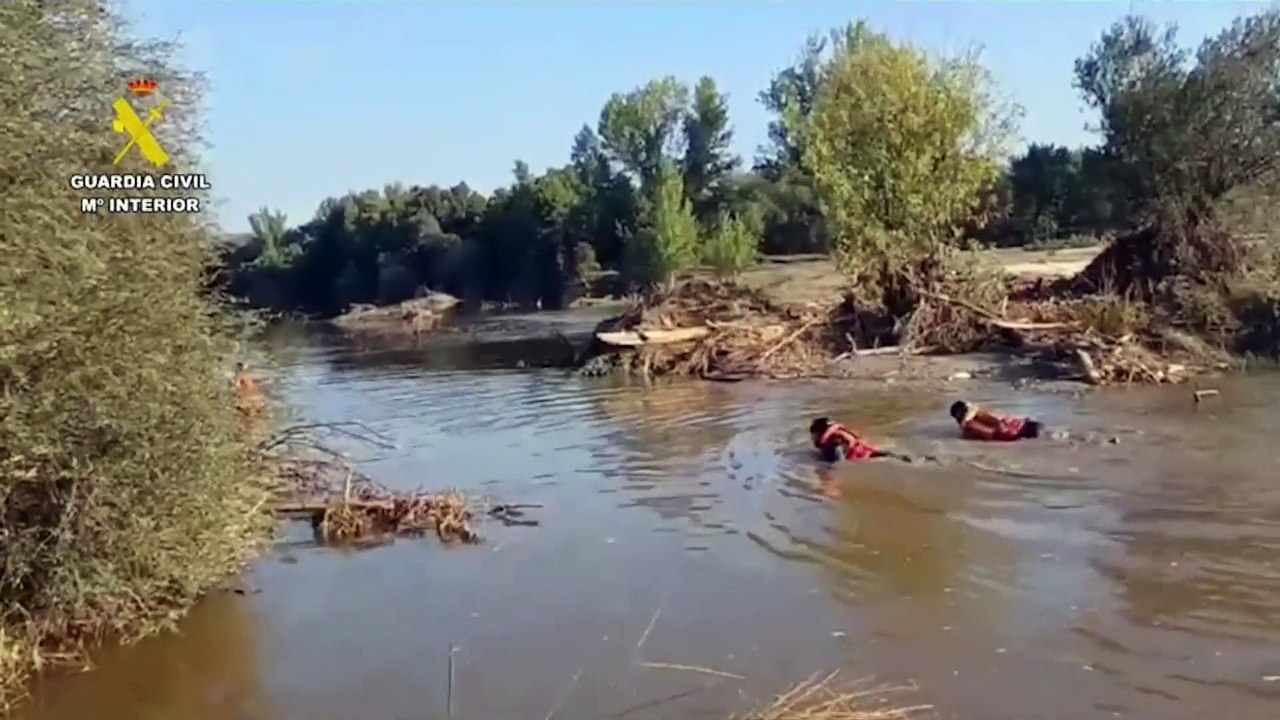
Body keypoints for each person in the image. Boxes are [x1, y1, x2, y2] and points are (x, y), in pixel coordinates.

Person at [809, 417, 910, 463]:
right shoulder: (837, 432)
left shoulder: (833, 435)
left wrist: (848, 451)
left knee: (887, 455)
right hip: (863, 450)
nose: (813, 437)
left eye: (814, 434)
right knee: (887, 455)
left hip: (859, 453)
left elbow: (850, 441)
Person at [949, 400, 1042, 441]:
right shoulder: (978, 414)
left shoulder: (971, 422)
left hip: (1014, 432)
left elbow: (994, 430)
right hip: (1025, 427)